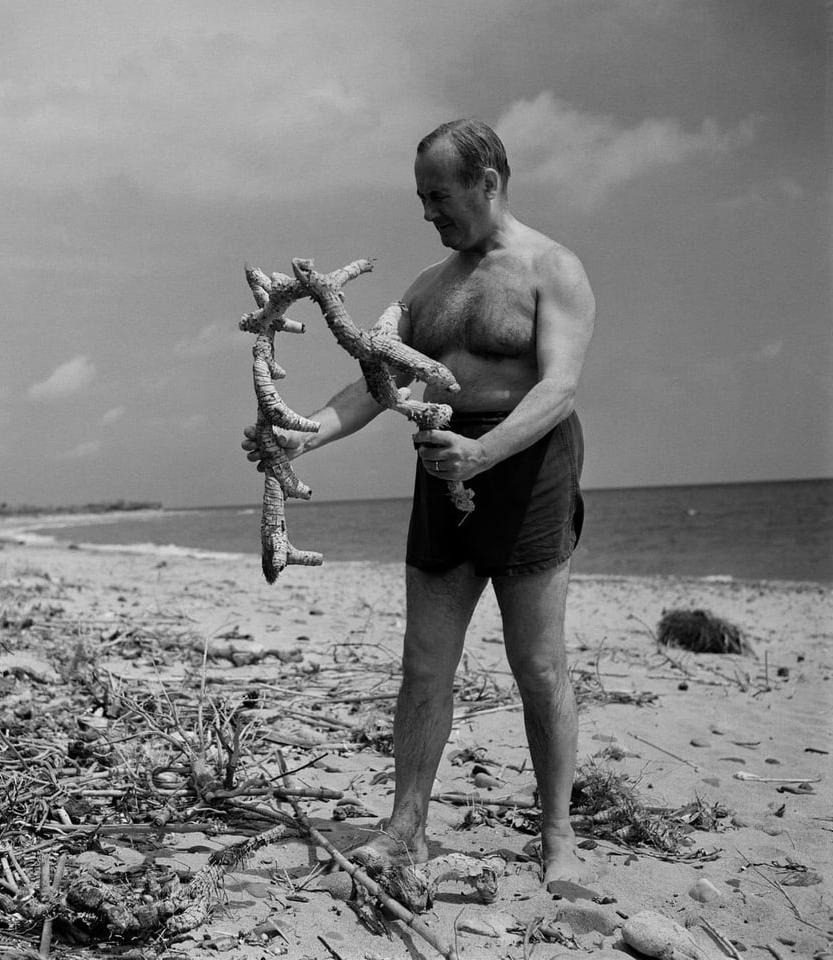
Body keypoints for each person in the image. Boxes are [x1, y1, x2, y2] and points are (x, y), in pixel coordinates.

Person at [243, 118, 595, 884]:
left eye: (438, 195)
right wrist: (302, 435)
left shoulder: (553, 268)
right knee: (424, 663)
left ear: (488, 182)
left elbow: (559, 389)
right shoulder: (425, 290)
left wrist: (482, 451)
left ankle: (559, 835)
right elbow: (380, 382)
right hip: (442, 472)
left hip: (528, 469)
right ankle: (406, 828)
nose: (427, 213)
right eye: (420, 197)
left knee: (536, 664)